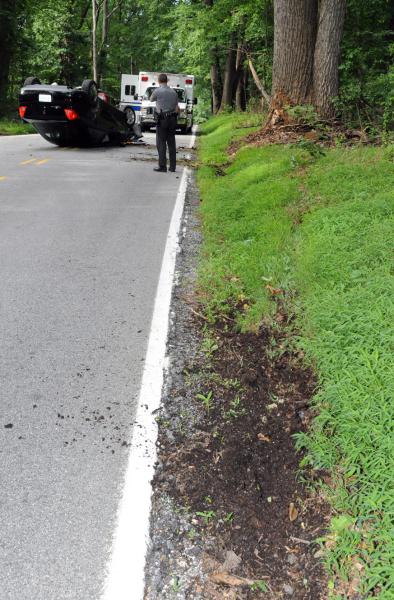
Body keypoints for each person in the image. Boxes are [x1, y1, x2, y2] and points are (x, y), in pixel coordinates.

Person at [150, 73, 179, 172]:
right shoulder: (174, 92)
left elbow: (151, 99)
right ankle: (172, 167)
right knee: (171, 142)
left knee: (161, 142)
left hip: (162, 119)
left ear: (159, 81)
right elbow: (176, 106)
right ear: (167, 81)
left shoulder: (157, 91)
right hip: (172, 119)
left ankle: (162, 166)